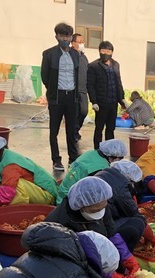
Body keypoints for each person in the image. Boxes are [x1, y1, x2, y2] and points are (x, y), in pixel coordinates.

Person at [45, 177, 142, 278]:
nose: (100, 213)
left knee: (132, 228)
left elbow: (111, 233)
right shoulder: (61, 224)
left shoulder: (100, 205)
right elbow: (78, 260)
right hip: (67, 265)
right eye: (94, 211)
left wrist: (127, 257)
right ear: (81, 206)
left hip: (97, 249)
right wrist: (111, 277)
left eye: (103, 208)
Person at [0, 136, 57, 208]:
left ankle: (18, 209)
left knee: (14, 187)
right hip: (32, 191)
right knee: (1, 186)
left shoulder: (10, 165)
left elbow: (7, 194)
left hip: (47, 195)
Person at [41, 22, 80, 171]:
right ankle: (56, 160)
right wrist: (52, 91)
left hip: (72, 97)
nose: (65, 38)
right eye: (62, 35)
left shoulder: (75, 54)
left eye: (68, 36)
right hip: (57, 97)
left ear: (71, 37)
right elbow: (45, 76)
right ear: (56, 36)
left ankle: (73, 158)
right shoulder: (49, 54)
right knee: (54, 130)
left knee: (72, 130)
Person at [96, 160, 153, 251]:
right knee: (137, 223)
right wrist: (149, 234)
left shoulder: (103, 173)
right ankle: (124, 251)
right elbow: (133, 212)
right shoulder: (121, 187)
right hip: (101, 227)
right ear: (129, 178)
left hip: (99, 219)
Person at [56, 139, 127, 204]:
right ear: (112, 157)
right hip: (69, 201)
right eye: (120, 158)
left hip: (62, 194)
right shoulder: (100, 169)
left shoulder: (92, 153)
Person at [87, 41, 126, 149]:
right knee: (99, 128)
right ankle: (97, 150)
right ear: (99, 51)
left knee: (111, 128)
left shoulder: (116, 65)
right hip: (101, 103)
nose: (105, 53)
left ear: (112, 52)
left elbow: (118, 83)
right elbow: (90, 85)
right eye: (103, 51)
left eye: (108, 51)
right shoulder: (93, 66)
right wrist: (93, 101)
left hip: (113, 103)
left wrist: (122, 99)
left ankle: (109, 150)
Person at [71, 33, 89, 143]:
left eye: (83, 42)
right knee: (74, 113)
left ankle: (76, 130)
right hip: (73, 90)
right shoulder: (69, 55)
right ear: (73, 43)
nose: (82, 44)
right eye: (80, 42)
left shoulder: (84, 57)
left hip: (83, 90)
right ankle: (73, 133)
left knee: (84, 111)